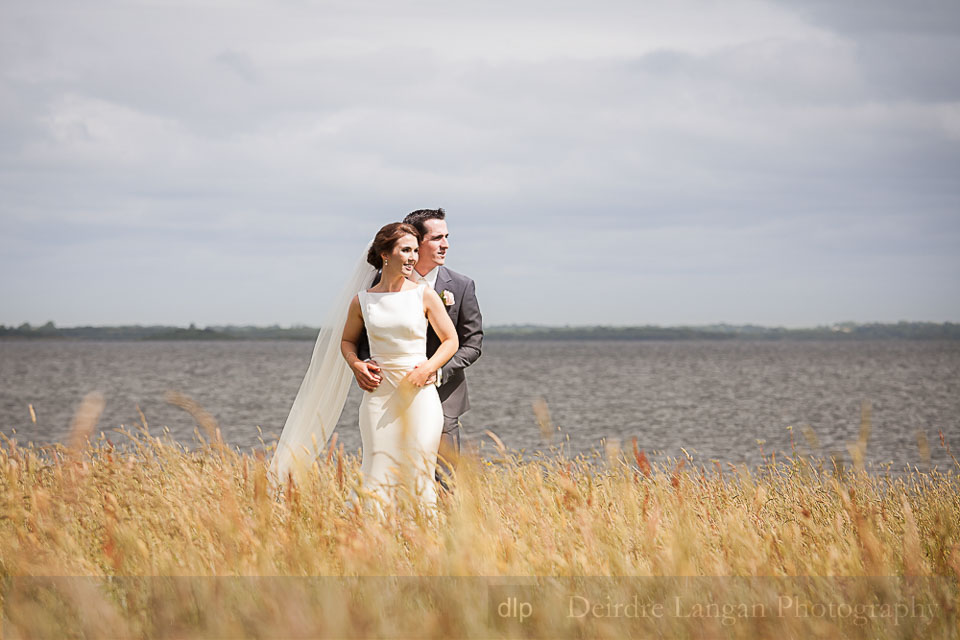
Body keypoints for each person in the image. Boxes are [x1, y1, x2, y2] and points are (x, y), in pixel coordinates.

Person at [270, 223, 458, 511]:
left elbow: (450, 340)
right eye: (405, 250)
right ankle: (374, 538)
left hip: (420, 394)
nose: (412, 258)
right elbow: (346, 341)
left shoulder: (424, 295)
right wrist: (357, 364)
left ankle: (421, 540)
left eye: (415, 251)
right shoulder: (363, 301)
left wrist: (426, 369)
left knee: (419, 469)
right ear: (385, 254)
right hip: (379, 396)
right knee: (377, 467)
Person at [355, 209, 483, 489]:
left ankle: (442, 531)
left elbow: (472, 343)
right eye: (437, 238)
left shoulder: (461, 286)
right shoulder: (375, 284)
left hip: (443, 395)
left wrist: (432, 371)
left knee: (442, 478)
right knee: (386, 472)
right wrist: (361, 365)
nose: (445, 244)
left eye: (446, 237)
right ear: (416, 241)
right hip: (388, 392)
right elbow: (363, 336)